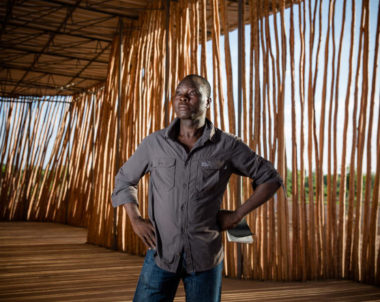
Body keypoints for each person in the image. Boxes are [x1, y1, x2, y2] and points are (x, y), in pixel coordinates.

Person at [111, 74, 284, 302]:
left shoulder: (227, 145)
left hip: (205, 258)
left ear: (208, 102)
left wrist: (237, 216)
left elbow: (270, 177)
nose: (183, 98)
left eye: (192, 93)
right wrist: (135, 219)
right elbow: (124, 179)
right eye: (179, 93)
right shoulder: (155, 143)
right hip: (161, 255)